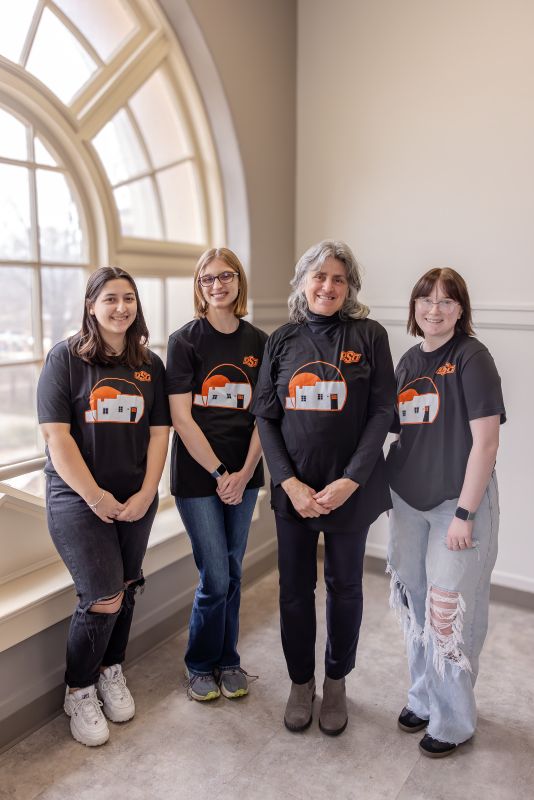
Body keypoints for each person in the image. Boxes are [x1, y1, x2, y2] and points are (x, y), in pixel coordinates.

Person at [251, 240, 396, 735]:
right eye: (319, 276)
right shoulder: (281, 340)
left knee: (345, 587)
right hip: (295, 492)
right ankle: (300, 682)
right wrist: (289, 483)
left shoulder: (369, 335)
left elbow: (382, 411)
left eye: (338, 278)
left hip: (350, 491)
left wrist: (351, 480)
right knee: (294, 590)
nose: (328, 286)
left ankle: (336, 680)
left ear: (349, 287)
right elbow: (266, 417)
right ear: (302, 283)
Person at [37, 267, 170, 747]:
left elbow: (160, 434)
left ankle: (111, 669)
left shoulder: (150, 364)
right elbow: (57, 439)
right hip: (77, 497)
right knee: (103, 596)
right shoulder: (66, 358)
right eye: (110, 298)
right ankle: (79, 689)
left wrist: (147, 493)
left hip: (135, 496)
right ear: (91, 306)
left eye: (129, 298)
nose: (121, 307)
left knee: (127, 585)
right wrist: (96, 497)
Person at [386, 267, 505, 758]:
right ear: (414, 306)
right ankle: (423, 697)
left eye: (446, 301)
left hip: (455, 507)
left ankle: (453, 720)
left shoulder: (472, 357)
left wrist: (464, 513)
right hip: (407, 503)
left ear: (461, 309)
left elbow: (486, 443)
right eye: (425, 299)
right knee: (415, 604)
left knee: (448, 611)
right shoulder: (409, 360)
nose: (433, 309)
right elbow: (396, 432)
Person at [166, 247, 267, 702]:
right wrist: (221, 472)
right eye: (207, 278)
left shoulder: (259, 342)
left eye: (225, 276)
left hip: (244, 474)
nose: (217, 285)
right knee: (215, 575)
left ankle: (228, 659)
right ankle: (199, 663)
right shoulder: (184, 341)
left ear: (238, 281)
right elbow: (181, 419)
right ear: (199, 287)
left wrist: (243, 473)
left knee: (233, 570)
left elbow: (264, 416)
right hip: (197, 476)